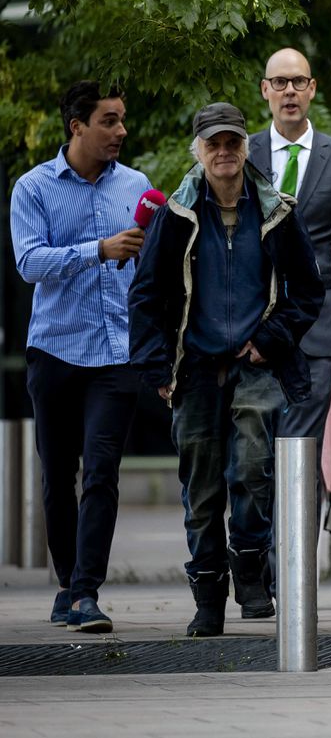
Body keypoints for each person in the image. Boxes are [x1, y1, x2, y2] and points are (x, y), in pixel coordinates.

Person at [129, 102, 323, 637]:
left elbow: (307, 292)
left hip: (256, 362)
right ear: (198, 150)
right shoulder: (176, 214)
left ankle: (249, 560)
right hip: (193, 367)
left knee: (252, 469)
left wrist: (270, 340)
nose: (223, 153)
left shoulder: (277, 210)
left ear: (245, 147)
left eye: (232, 143)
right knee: (202, 487)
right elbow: (144, 296)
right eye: (213, 144)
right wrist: (157, 368)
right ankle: (209, 596)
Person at [10, 81, 153, 633]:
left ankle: (86, 591)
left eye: (121, 120)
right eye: (110, 121)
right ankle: (68, 582)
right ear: (77, 126)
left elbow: (152, 268)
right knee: (57, 476)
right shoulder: (34, 187)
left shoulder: (137, 185)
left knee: (101, 472)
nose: (121, 131)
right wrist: (97, 250)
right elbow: (28, 262)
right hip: (55, 351)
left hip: (118, 354)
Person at [248, 48, 331, 447]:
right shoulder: (240, 154)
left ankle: (299, 512)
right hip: (253, 328)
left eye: (299, 82)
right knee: (254, 457)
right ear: (265, 90)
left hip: (317, 332)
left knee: (300, 450)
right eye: (280, 83)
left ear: (313, 89)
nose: (290, 91)